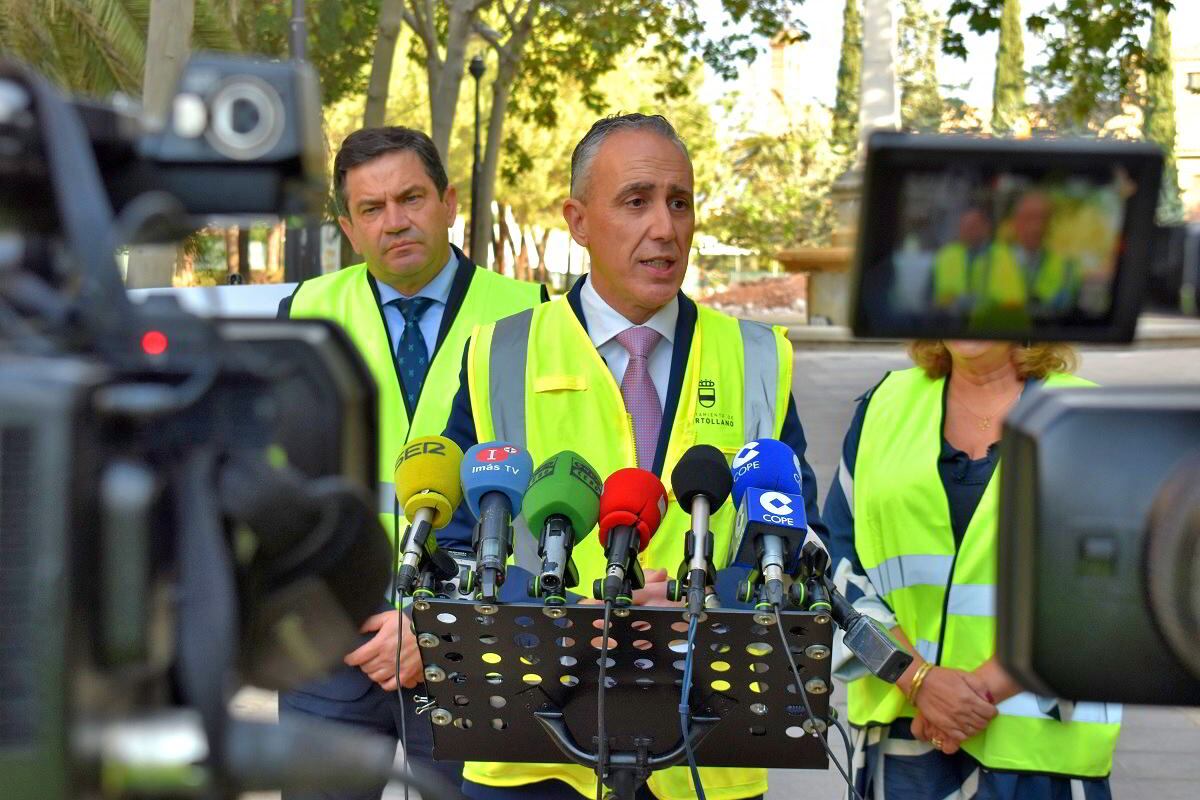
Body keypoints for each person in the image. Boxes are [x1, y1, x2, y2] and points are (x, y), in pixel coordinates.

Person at [439, 112, 828, 800]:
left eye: (680, 202)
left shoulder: (756, 357)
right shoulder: (499, 353)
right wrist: (562, 617)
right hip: (534, 754)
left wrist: (709, 606)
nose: (665, 227)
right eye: (636, 201)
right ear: (578, 221)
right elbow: (455, 550)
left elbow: (801, 545)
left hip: (705, 750)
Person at [277, 126, 547, 799]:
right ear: (348, 227)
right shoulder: (304, 312)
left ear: (449, 203)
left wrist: (442, 618)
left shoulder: (533, 315)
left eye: (411, 198)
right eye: (371, 208)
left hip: (478, 634)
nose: (394, 221)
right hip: (332, 641)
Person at [823, 339, 1122, 799]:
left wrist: (967, 697)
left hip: (1040, 753)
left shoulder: (1090, 418)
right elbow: (838, 565)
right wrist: (916, 679)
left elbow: (1111, 585)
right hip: (904, 741)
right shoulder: (883, 404)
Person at [970, 192, 1079, 328]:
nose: (1036, 226)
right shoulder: (986, 262)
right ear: (1015, 222)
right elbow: (974, 313)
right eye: (1029, 218)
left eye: (1043, 219)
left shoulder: (1067, 267)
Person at [931, 207, 992, 312]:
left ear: (986, 228)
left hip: (989, 316)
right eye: (964, 226)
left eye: (973, 226)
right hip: (948, 316)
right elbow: (929, 297)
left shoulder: (999, 256)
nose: (968, 230)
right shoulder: (946, 255)